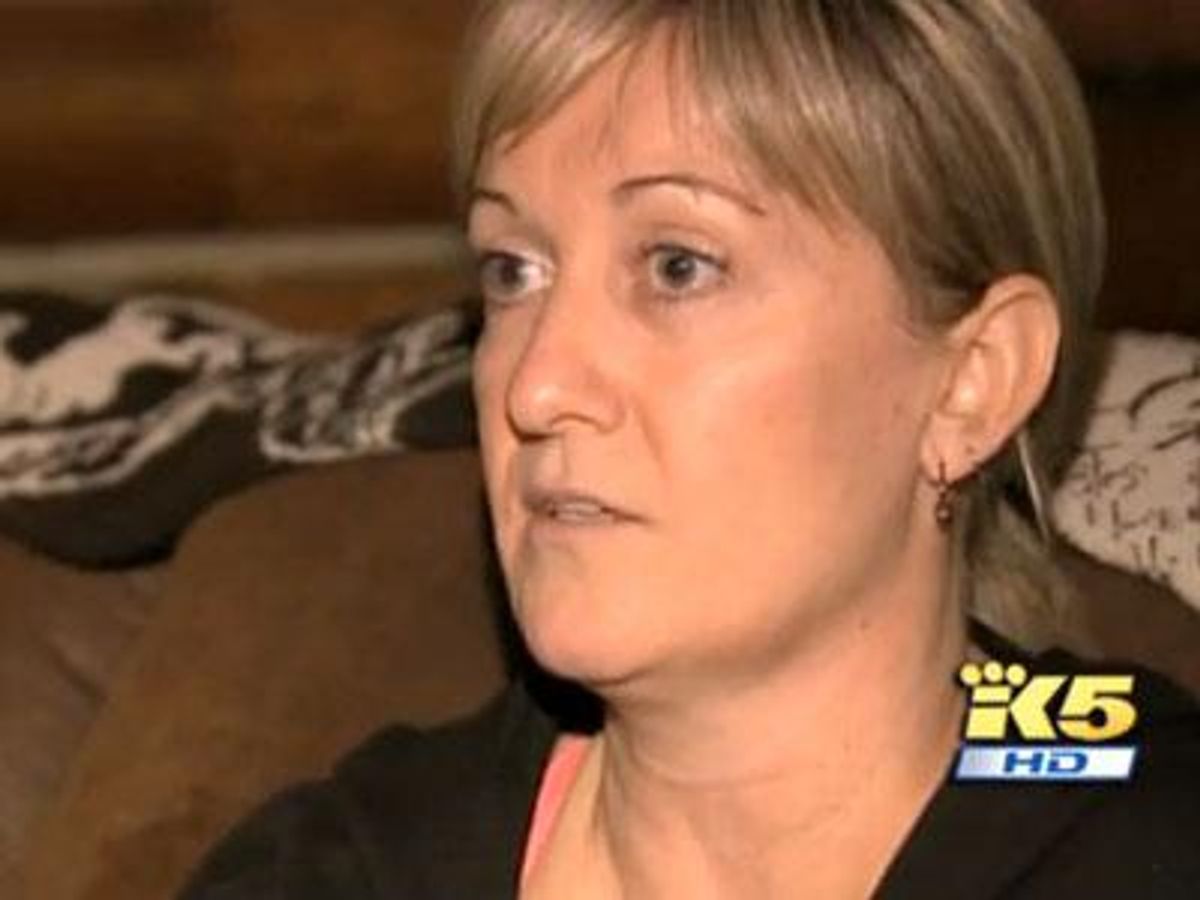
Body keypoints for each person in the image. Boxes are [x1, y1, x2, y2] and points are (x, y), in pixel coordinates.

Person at [181, 1, 1200, 897]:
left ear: (974, 380)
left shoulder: (1142, 826)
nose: (537, 386)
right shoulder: (341, 864)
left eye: (678, 266)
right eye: (513, 271)